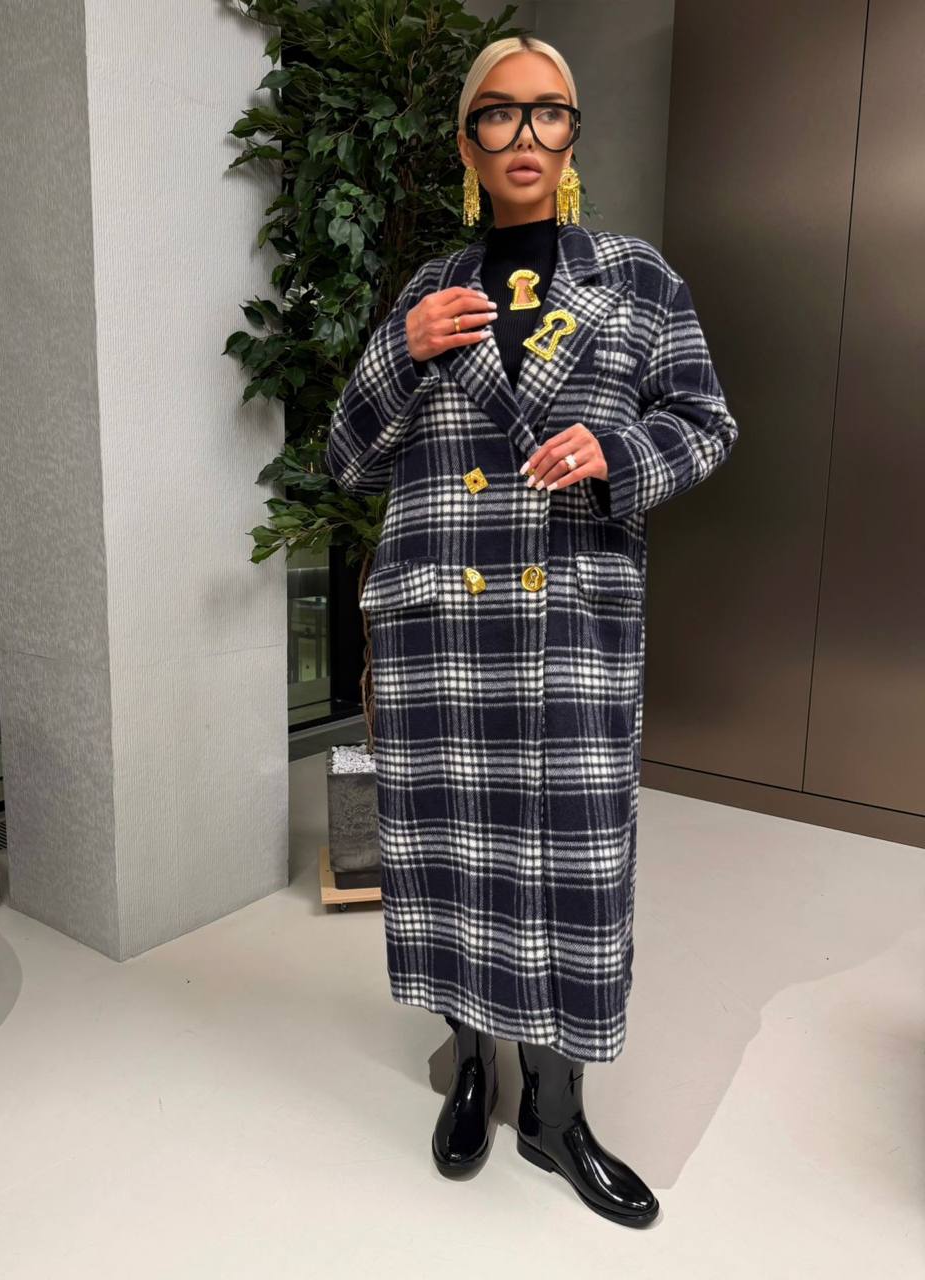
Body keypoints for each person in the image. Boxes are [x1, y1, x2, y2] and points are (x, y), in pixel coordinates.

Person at [326, 34, 738, 1228]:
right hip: (440, 636)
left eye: (546, 112)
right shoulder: (427, 291)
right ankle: (472, 1065)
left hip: (569, 625)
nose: (523, 135)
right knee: (450, 855)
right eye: (497, 115)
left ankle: (556, 1108)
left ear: (572, 134)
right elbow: (347, 457)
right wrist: (399, 353)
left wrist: (618, 451)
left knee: (571, 868)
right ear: (467, 145)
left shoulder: (638, 278)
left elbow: (707, 421)